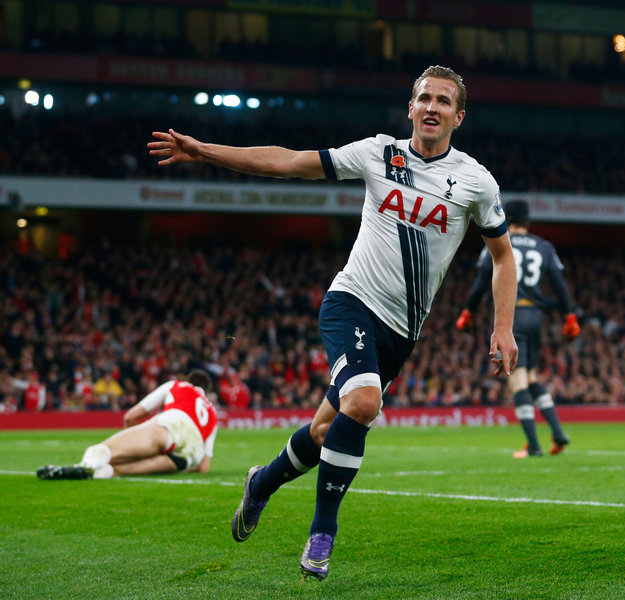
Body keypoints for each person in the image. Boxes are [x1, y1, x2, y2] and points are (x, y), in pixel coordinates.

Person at [147, 65, 518, 581]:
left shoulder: (477, 182)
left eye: (444, 101)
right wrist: (206, 150)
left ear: (459, 115)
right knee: (365, 402)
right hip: (351, 300)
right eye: (424, 98)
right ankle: (323, 533)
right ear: (410, 107)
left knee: (325, 429)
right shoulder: (377, 154)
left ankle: (262, 484)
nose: (432, 107)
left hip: (403, 331)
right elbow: (290, 162)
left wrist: (503, 326)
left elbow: (503, 257)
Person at [457, 199, 579, 457]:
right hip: (536, 316)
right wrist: (570, 315)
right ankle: (557, 433)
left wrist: (468, 311)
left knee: (516, 381)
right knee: (532, 377)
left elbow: (481, 282)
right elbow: (559, 283)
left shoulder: (499, 241)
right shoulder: (544, 246)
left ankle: (533, 446)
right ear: (528, 219)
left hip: (512, 315)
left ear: (506, 217)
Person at [37, 369, 217, 479]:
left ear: (188, 381)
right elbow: (204, 467)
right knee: (116, 469)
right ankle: (103, 472)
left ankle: (81, 467)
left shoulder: (177, 385)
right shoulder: (213, 414)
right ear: (206, 393)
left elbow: (131, 416)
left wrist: (139, 445)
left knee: (101, 451)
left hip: (171, 426)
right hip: (187, 456)